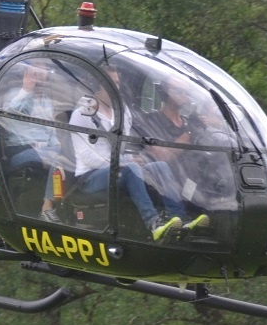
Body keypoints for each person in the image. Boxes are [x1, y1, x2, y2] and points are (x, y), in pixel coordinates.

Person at [41, 70, 208, 241]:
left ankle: (179, 219)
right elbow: (86, 157)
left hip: (117, 169)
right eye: (110, 82)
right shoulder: (82, 114)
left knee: (160, 166)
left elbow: (123, 147)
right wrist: (122, 163)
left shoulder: (123, 112)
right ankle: (153, 223)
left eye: (118, 82)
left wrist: (130, 159)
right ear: (98, 86)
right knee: (130, 168)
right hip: (90, 177)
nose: (116, 87)